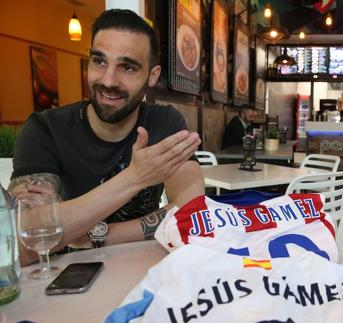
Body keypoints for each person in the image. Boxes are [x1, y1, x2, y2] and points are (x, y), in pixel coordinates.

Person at [9, 9, 204, 265]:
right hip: (64, 274)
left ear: (152, 75)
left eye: (128, 67)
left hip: (142, 266)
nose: (108, 80)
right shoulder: (44, 129)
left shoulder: (164, 122)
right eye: (99, 61)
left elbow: (193, 210)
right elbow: (22, 244)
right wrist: (135, 178)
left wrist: (94, 236)